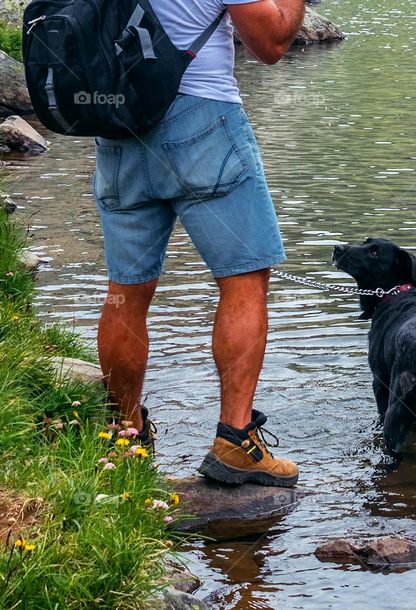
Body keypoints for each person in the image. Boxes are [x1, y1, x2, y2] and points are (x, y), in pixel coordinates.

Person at [93, 0, 307, 487]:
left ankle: (124, 438)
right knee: (244, 278)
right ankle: (235, 441)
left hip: (116, 125)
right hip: (200, 116)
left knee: (126, 289)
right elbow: (270, 41)